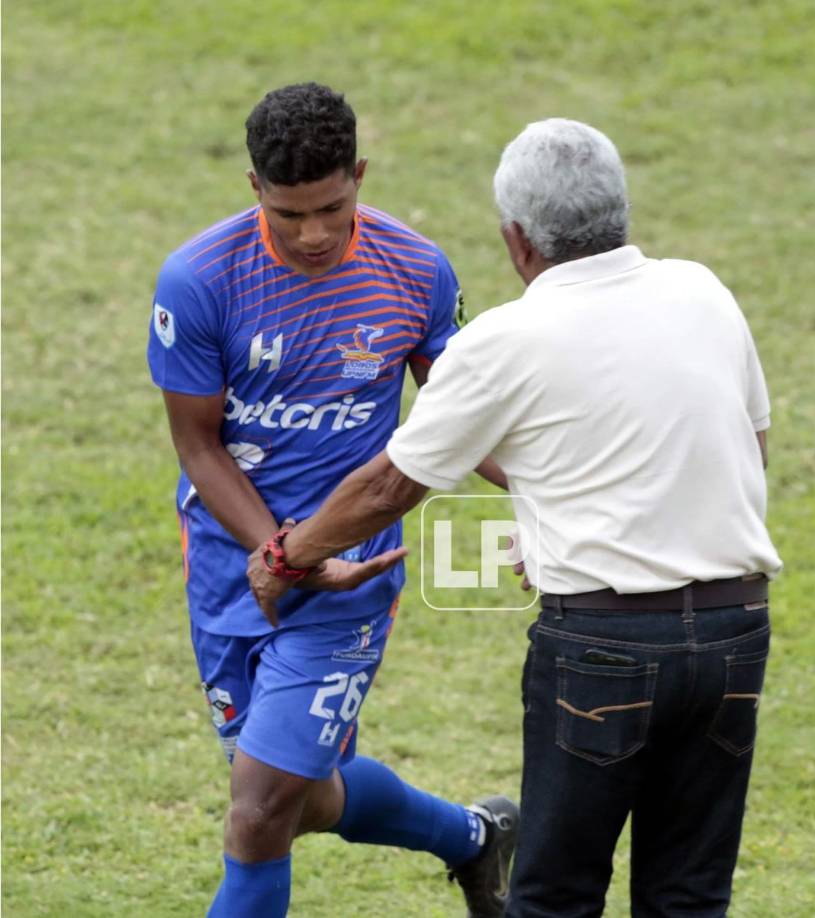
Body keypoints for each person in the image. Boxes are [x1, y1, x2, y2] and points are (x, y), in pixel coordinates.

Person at [248, 117, 784, 917]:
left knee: (554, 896)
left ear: (517, 240)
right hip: (735, 635)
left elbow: (387, 488)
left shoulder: (507, 338)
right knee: (689, 895)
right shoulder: (702, 291)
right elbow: (747, 449)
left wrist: (287, 557)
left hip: (601, 648)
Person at [147, 82, 518, 918]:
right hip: (229, 572)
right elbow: (198, 445)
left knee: (257, 811)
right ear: (253, 190)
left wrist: (557, 493)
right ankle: (474, 838)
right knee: (299, 797)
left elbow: (460, 419)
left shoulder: (414, 270)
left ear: (359, 173)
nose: (313, 234)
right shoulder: (200, 280)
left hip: (351, 579)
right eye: (289, 214)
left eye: (331, 206)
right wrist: (276, 555)